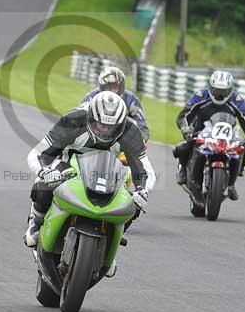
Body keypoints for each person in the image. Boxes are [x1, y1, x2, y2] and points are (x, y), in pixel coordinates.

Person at [24, 91, 156, 252]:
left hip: (108, 173)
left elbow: (145, 169)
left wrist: (143, 190)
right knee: (43, 184)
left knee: (135, 201)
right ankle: (36, 223)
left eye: (111, 127)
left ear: (120, 124)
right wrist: (44, 172)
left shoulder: (130, 132)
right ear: (92, 118)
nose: (106, 131)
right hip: (69, 167)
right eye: (102, 124)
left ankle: (112, 241)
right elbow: (38, 153)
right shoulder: (73, 121)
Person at [173, 70, 245, 201]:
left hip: (228, 135)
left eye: (224, 92)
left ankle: (233, 178)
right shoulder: (200, 95)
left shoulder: (236, 99)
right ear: (210, 87)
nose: (220, 95)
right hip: (201, 131)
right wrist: (185, 128)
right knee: (182, 148)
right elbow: (184, 115)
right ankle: (183, 169)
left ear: (231, 90)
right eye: (217, 91)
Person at [80, 66, 149, 142]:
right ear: (102, 87)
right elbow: (81, 118)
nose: (111, 91)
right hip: (95, 135)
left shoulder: (131, 100)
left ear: (121, 87)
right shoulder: (92, 97)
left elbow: (141, 124)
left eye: (115, 87)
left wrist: (142, 139)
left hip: (121, 139)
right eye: (108, 87)